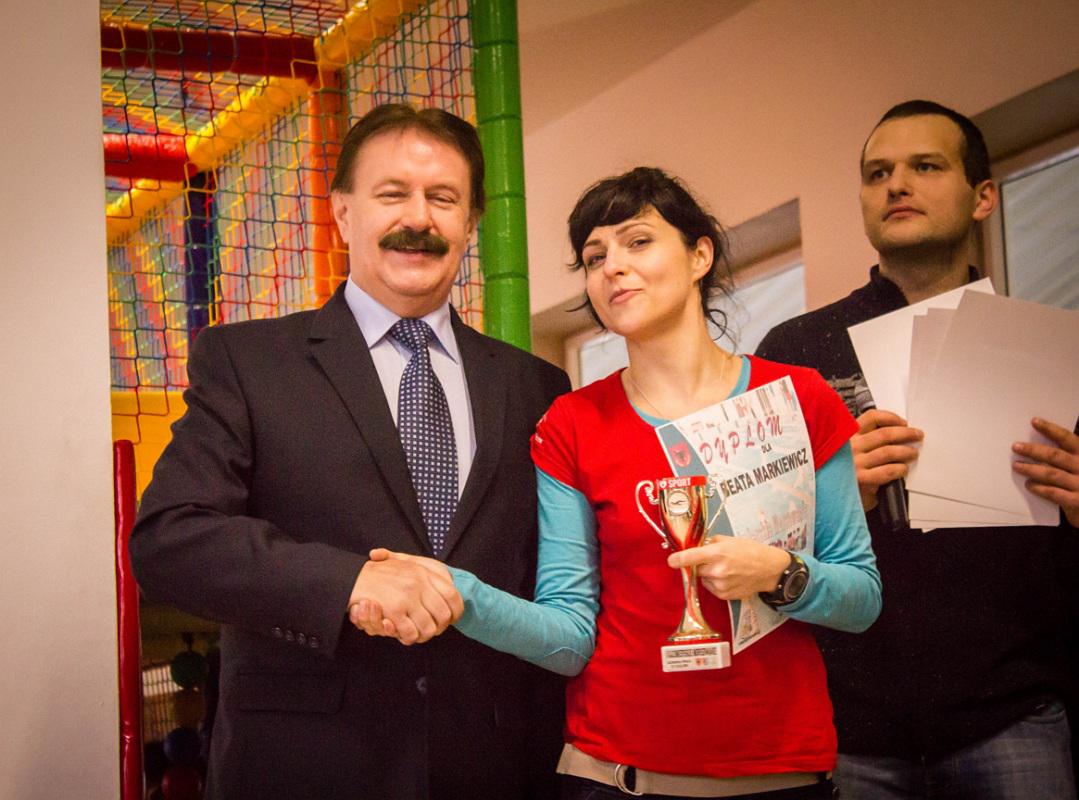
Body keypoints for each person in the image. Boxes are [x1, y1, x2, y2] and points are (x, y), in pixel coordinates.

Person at [356, 167, 882, 798]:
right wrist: (457, 592)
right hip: (615, 776)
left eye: (638, 242)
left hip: (782, 772)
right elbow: (570, 637)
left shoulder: (799, 397)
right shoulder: (571, 423)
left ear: (699, 255)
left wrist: (780, 574)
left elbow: (861, 598)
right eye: (594, 257)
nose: (613, 268)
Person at [129, 104, 570, 800]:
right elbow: (169, 539)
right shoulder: (249, 362)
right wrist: (346, 583)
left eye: (443, 198)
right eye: (392, 194)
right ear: (342, 211)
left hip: (492, 768)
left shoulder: (536, 386)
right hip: (303, 768)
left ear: (471, 223)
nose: (418, 218)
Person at [755, 100, 1079, 799]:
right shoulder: (794, 351)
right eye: (877, 173)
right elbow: (754, 538)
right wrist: (837, 494)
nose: (896, 184)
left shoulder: (1049, 350)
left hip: (1014, 714)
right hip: (849, 726)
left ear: (983, 196)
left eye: (925, 166)